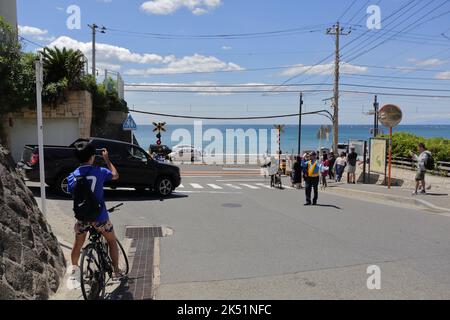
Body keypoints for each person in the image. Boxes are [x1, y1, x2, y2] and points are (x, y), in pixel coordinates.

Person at [67, 141, 121, 285]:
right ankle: (116, 271)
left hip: (82, 218)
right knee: (111, 241)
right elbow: (115, 175)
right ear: (92, 157)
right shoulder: (99, 171)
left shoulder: (72, 176)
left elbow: (71, 192)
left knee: (78, 244)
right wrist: (107, 159)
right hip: (100, 218)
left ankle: (75, 271)